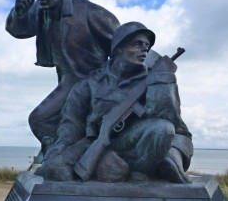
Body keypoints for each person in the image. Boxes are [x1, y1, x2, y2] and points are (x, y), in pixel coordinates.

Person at [35, 22, 193, 183]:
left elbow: (167, 117)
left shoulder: (154, 79)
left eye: (146, 45)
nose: (144, 49)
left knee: (162, 129)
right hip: (97, 141)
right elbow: (72, 123)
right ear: (118, 48)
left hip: (141, 143)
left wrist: (163, 78)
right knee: (56, 169)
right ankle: (109, 164)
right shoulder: (89, 84)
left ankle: (140, 172)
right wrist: (60, 147)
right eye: (138, 44)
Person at [6, 0, 120, 154]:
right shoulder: (40, 9)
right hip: (67, 79)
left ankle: (61, 156)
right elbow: (18, 30)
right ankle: (63, 157)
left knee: (40, 119)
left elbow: (124, 46)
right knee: (57, 123)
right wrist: (19, 12)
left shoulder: (90, 13)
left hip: (92, 81)